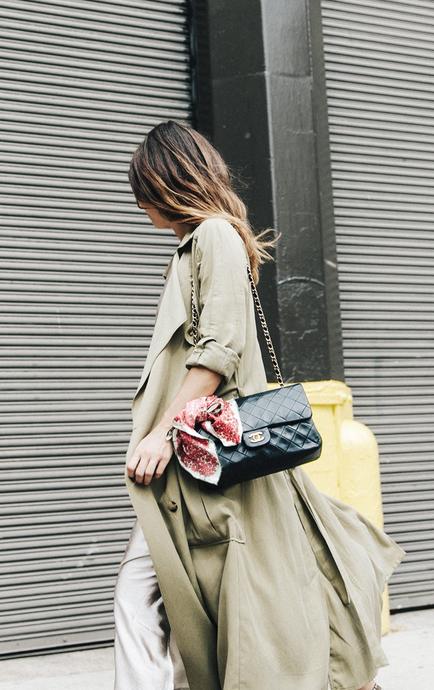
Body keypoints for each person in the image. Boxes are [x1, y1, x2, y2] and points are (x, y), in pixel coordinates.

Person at [113, 119, 406, 690]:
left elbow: (217, 350)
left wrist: (161, 435)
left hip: (202, 455)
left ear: (163, 181)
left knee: (254, 596)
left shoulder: (214, 236)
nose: (141, 206)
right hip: (193, 463)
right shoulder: (196, 245)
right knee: (188, 592)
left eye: (142, 190)